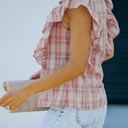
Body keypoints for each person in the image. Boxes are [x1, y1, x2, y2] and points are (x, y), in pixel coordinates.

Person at [0, 0, 120, 128]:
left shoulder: (77, 6)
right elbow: (107, 52)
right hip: (96, 106)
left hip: (70, 110)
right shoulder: (99, 3)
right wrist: (54, 70)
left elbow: (77, 65)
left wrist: (25, 91)